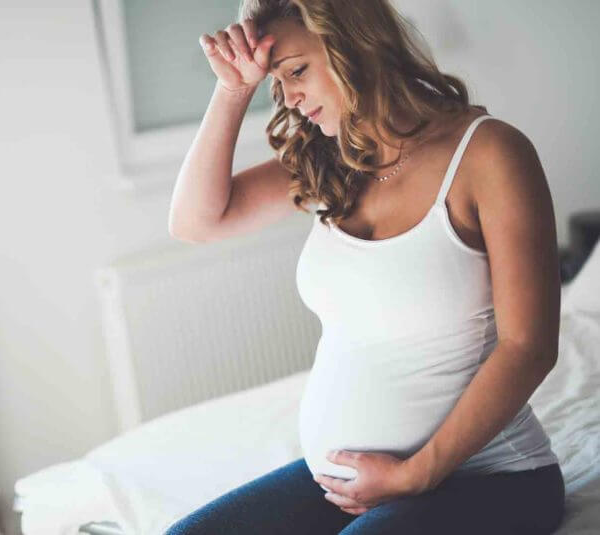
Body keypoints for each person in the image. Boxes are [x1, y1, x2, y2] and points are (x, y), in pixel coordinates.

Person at [166, 0, 566, 534]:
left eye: (297, 71)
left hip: (489, 477)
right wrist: (234, 89)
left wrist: (416, 475)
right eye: (276, 83)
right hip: (349, 486)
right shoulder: (332, 157)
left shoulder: (490, 155)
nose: (287, 97)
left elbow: (529, 347)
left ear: (354, 43)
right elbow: (197, 222)